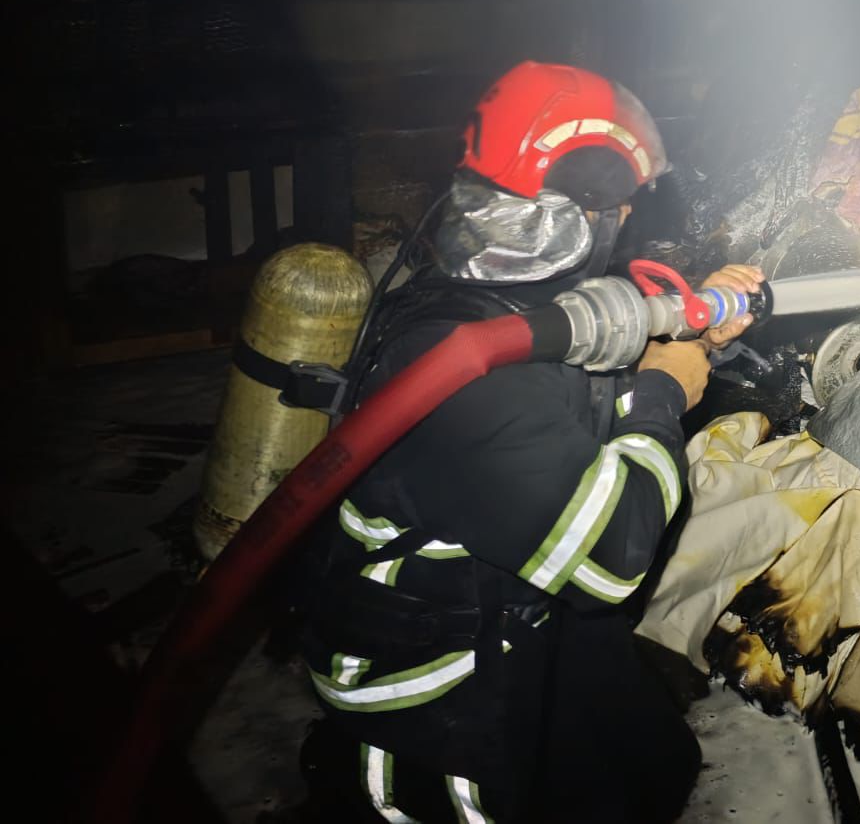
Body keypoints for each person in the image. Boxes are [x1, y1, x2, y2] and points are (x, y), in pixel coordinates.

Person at [295, 61, 763, 823]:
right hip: (438, 677)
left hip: (514, 601)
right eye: (618, 209)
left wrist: (695, 312)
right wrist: (662, 392)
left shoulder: (493, 282)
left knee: (648, 768)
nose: (624, 225)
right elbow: (612, 559)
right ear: (583, 210)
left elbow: (583, 332)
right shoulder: (467, 378)